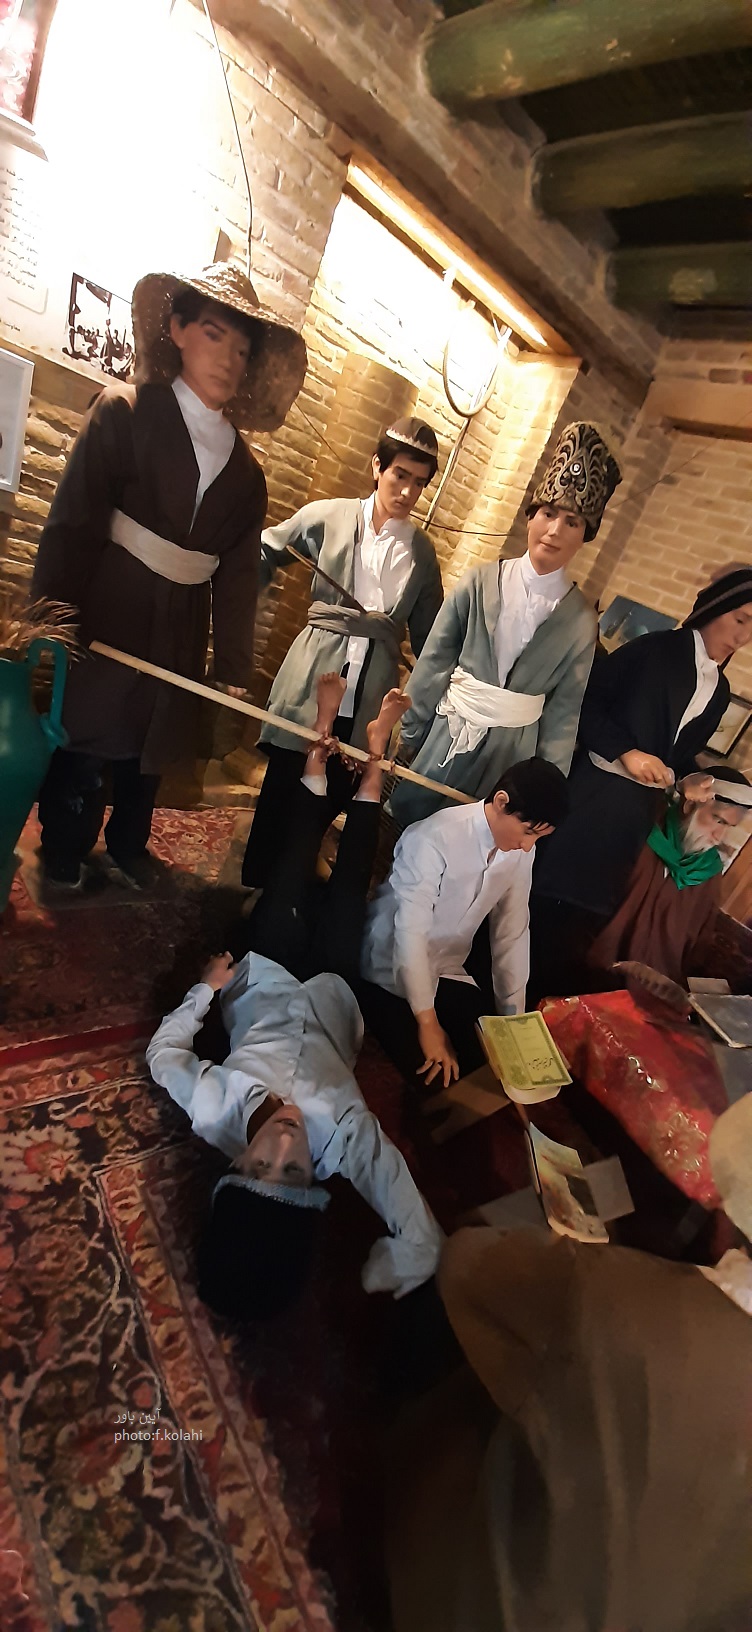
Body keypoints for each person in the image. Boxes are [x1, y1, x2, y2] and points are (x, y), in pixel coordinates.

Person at [385, 1092, 752, 1632]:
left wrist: (587, 1265)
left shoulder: (620, 1298)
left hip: (486, 1606)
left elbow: (464, 1266)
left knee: (460, 1356)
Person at [146, 676, 441, 1320]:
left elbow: (163, 1055)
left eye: (259, 1167)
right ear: (315, 1184)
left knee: (291, 867)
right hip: (333, 990)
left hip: (268, 973)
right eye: (295, 1174)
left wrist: (204, 991)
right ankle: (374, 756)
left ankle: (320, 740)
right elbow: (414, 1225)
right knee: (350, 887)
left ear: (234, 1167)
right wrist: (409, 1256)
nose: (283, 1145)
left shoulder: (212, 1107)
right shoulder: (345, 1143)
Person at [32, 262, 306, 891]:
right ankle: (64, 842)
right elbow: (73, 521)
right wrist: (49, 617)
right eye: (214, 335)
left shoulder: (247, 474)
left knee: (153, 740)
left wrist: (232, 664)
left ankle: (129, 843)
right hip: (112, 602)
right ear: (178, 330)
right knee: (89, 726)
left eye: (243, 349)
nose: (229, 360)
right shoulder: (124, 411)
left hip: (183, 620)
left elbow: (238, 574)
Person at [530, 565, 752, 998]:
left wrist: (688, 779)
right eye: (740, 619)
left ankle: (542, 1006)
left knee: (582, 922)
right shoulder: (654, 650)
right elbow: (585, 703)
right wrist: (627, 753)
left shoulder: (719, 690)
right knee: (543, 901)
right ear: (714, 608)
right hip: (593, 797)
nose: (743, 637)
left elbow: (676, 753)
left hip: (636, 819)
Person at [241, 417, 444, 887]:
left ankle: (289, 887)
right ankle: (253, 888)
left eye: (419, 483)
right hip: (315, 670)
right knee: (284, 782)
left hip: (371, 691)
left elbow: (431, 637)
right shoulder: (328, 515)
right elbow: (266, 550)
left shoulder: (423, 554)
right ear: (377, 467)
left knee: (335, 789)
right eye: (400, 475)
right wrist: (241, 604)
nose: (407, 492)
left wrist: (439, 689)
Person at [388, 421, 621, 828]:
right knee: (406, 824)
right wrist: (410, 730)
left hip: (510, 758)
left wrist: (546, 787)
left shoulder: (580, 624)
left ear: (585, 535)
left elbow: (563, 713)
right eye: (548, 513)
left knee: (474, 839)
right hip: (448, 731)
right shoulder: (479, 583)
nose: (554, 531)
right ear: (531, 516)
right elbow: (435, 660)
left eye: (572, 522)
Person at [359, 758, 569, 1088]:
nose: (528, 846)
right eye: (528, 832)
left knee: (490, 1064)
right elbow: (410, 934)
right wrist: (427, 1023)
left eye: (538, 839)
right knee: (435, 1074)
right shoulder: (433, 838)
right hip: (390, 970)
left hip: (446, 969)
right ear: (501, 802)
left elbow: (512, 932)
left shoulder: (521, 852)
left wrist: (513, 1020)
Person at [589, 767, 752, 986]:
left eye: (729, 827)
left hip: (656, 985)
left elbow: (697, 944)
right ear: (690, 805)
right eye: (718, 820)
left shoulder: (708, 871)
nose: (718, 837)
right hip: (594, 965)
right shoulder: (643, 833)